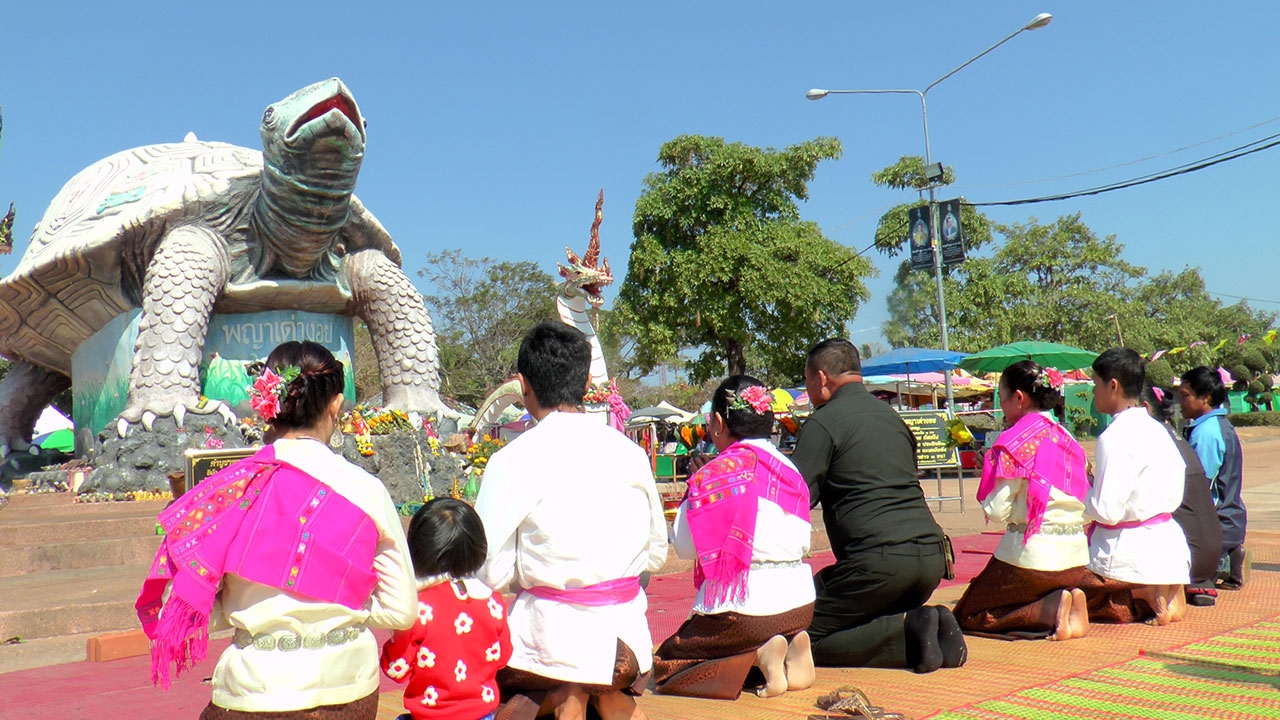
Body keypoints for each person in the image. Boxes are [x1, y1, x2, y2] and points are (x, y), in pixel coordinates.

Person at [137, 340, 417, 719]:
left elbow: (195, 609)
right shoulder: (367, 490)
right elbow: (401, 613)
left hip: (255, 690)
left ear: (269, 405)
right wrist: (340, 603)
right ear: (335, 403)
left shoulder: (231, 490)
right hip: (348, 690)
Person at [474, 321, 668, 720]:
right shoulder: (629, 452)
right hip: (626, 645)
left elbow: (487, 571)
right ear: (584, 383)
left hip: (548, 646)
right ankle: (603, 695)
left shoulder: (511, 460)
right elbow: (656, 554)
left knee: (500, 701)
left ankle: (565, 695)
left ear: (523, 385)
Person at [791, 339, 965, 673]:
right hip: (930, 560)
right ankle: (928, 621)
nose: (809, 391)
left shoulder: (823, 422)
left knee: (794, 637)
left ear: (822, 379)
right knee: (831, 591)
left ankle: (907, 638)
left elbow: (795, 498)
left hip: (878, 564)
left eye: (808, 381)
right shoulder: (892, 418)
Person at [653, 375, 815, 700]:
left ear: (716, 423)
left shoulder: (714, 474)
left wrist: (694, 489)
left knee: (667, 665)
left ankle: (761, 654)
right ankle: (790, 649)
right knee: (746, 635)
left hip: (744, 613)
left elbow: (685, 547)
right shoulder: (789, 467)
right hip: (800, 606)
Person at [953, 361, 1091, 641]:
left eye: (1001, 398)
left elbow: (996, 510)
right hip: (1076, 559)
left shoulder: (1013, 442)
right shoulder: (1068, 439)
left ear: (1019, 398)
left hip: (1033, 559)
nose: (1001, 405)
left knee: (972, 612)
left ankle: (1051, 610)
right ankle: (1070, 598)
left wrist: (991, 474)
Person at [1084, 348, 1190, 625]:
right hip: (1169, 546)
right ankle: (1167, 590)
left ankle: (1145, 592)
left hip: (1130, 553)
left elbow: (1106, 511)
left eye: (1096, 385)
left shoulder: (1113, 437)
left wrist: (1083, 490)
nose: (1094, 393)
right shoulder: (1158, 429)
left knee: (1077, 595)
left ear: (1113, 386)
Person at [381, 498, 512, 720]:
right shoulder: (493, 603)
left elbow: (397, 668)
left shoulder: (419, 608)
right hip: (483, 714)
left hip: (431, 714)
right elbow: (502, 657)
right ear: (478, 548)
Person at [1142, 383, 1224, 607]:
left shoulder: (1150, 439)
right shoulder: (1175, 436)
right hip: (1210, 557)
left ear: (1145, 407)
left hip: (1187, 559)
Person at [1178, 366, 1248, 590]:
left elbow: (1199, 487)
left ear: (1205, 398)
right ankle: (1229, 555)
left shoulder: (1206, 433)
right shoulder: (1218, 426)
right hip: (1230, 519)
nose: (1180, 402)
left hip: (1217, 524)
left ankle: (1220, 564)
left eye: (1185, 395)